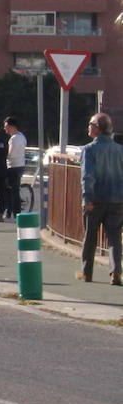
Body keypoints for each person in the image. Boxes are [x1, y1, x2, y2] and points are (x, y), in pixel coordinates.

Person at [77, 113, 123, 284]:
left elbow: (87, 176)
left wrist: (86, 198)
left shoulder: (89, 150)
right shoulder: (119, 150)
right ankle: (115, 271)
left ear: (97, 127)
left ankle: (87, 272)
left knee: (90, 237)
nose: (88, 127)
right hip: (117, 200)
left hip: (96, 199)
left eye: (90, 124)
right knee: (114, 238)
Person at [4, 117, 28, 219]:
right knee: (13, 189)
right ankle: (10, 211)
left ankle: (15, 212)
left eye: (6, 127)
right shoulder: (22, 136)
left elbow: (11, 154)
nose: (5, 129)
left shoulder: (14, 139)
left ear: (11, 126)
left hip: (13, 166)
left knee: (12, 190)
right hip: (20, 165)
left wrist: (3, 157)